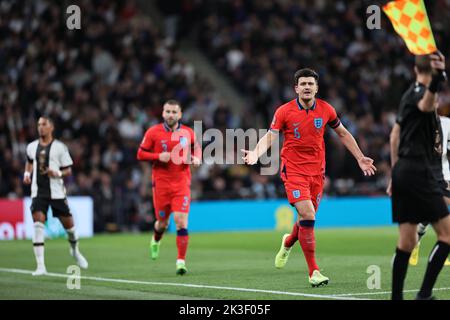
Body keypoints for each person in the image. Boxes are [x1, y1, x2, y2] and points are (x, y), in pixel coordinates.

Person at [242, 68, 376, 287]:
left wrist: (360, 157)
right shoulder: (284, 111)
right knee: (308, 214)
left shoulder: (327, 110)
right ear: (296, 88)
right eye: (302, 84)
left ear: (316, 88)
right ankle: (314, 271)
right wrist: (256, 153)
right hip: (293, 170)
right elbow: (271, 136)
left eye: (310, 84)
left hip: (317, 172)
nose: (306, 87)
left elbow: (342, 133)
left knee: (306, 219)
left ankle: (288, 241)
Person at [387, 52, 449, 300]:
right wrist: (439, 78)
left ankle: (396, 298)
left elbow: (393, 136)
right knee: (446, 235)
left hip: (403, 171)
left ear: (414, 69)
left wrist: (394, 173)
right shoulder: (420, 95)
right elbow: (425, 104)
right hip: (419, 171)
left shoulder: (406, 95)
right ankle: (424, 295)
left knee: (406, 242)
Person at [137, 99, 201, 275]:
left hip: (181, 183)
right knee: (162, 223)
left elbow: (197, 148)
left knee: (181, 222)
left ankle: (181, 262)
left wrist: (196, 158)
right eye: (168, 111)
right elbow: (140, 153)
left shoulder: (188, 132)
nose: (171, 115)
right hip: (162, 184)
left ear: (180, 114)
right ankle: (156, 239)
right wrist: (158, 156)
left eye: (174, 112)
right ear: (163, 113)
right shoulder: (153, 132)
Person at [23, 116, 88, 276]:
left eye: (44, 124)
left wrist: (57, 172)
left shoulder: (60, 147)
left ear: (51, 127)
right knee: (38, 225)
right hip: (38, 192)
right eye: (38, 124)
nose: (40, 127)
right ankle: (40, 266)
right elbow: (30, 161)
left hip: (57, 193)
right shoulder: (31, 146)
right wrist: (27, 173)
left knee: (70, 229)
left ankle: (74, 251)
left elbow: (68, 170)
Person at [407, 108, 450, 267]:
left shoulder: (447, 123)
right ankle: (433, 245)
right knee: (437, 211)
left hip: (445, 174)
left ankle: (429, 242)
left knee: (438, 211)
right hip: (426, 173)